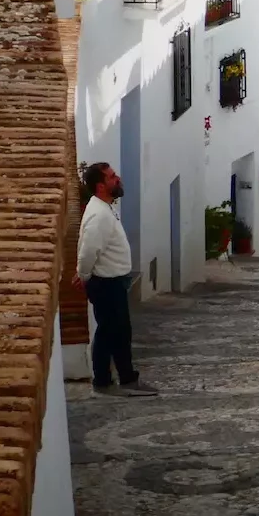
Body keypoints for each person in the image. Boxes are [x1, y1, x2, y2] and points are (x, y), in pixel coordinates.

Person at [73, 162, 158, 397]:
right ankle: (114, 381)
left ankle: (114, 379)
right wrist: (83, 276)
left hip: (112, 282)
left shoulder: (104, 208)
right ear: (101, 186)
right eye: (112, 177)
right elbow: (88, 251)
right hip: (106, 284)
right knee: (114, 332)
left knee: (113, 331)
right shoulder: (99, 215)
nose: (117, 178)